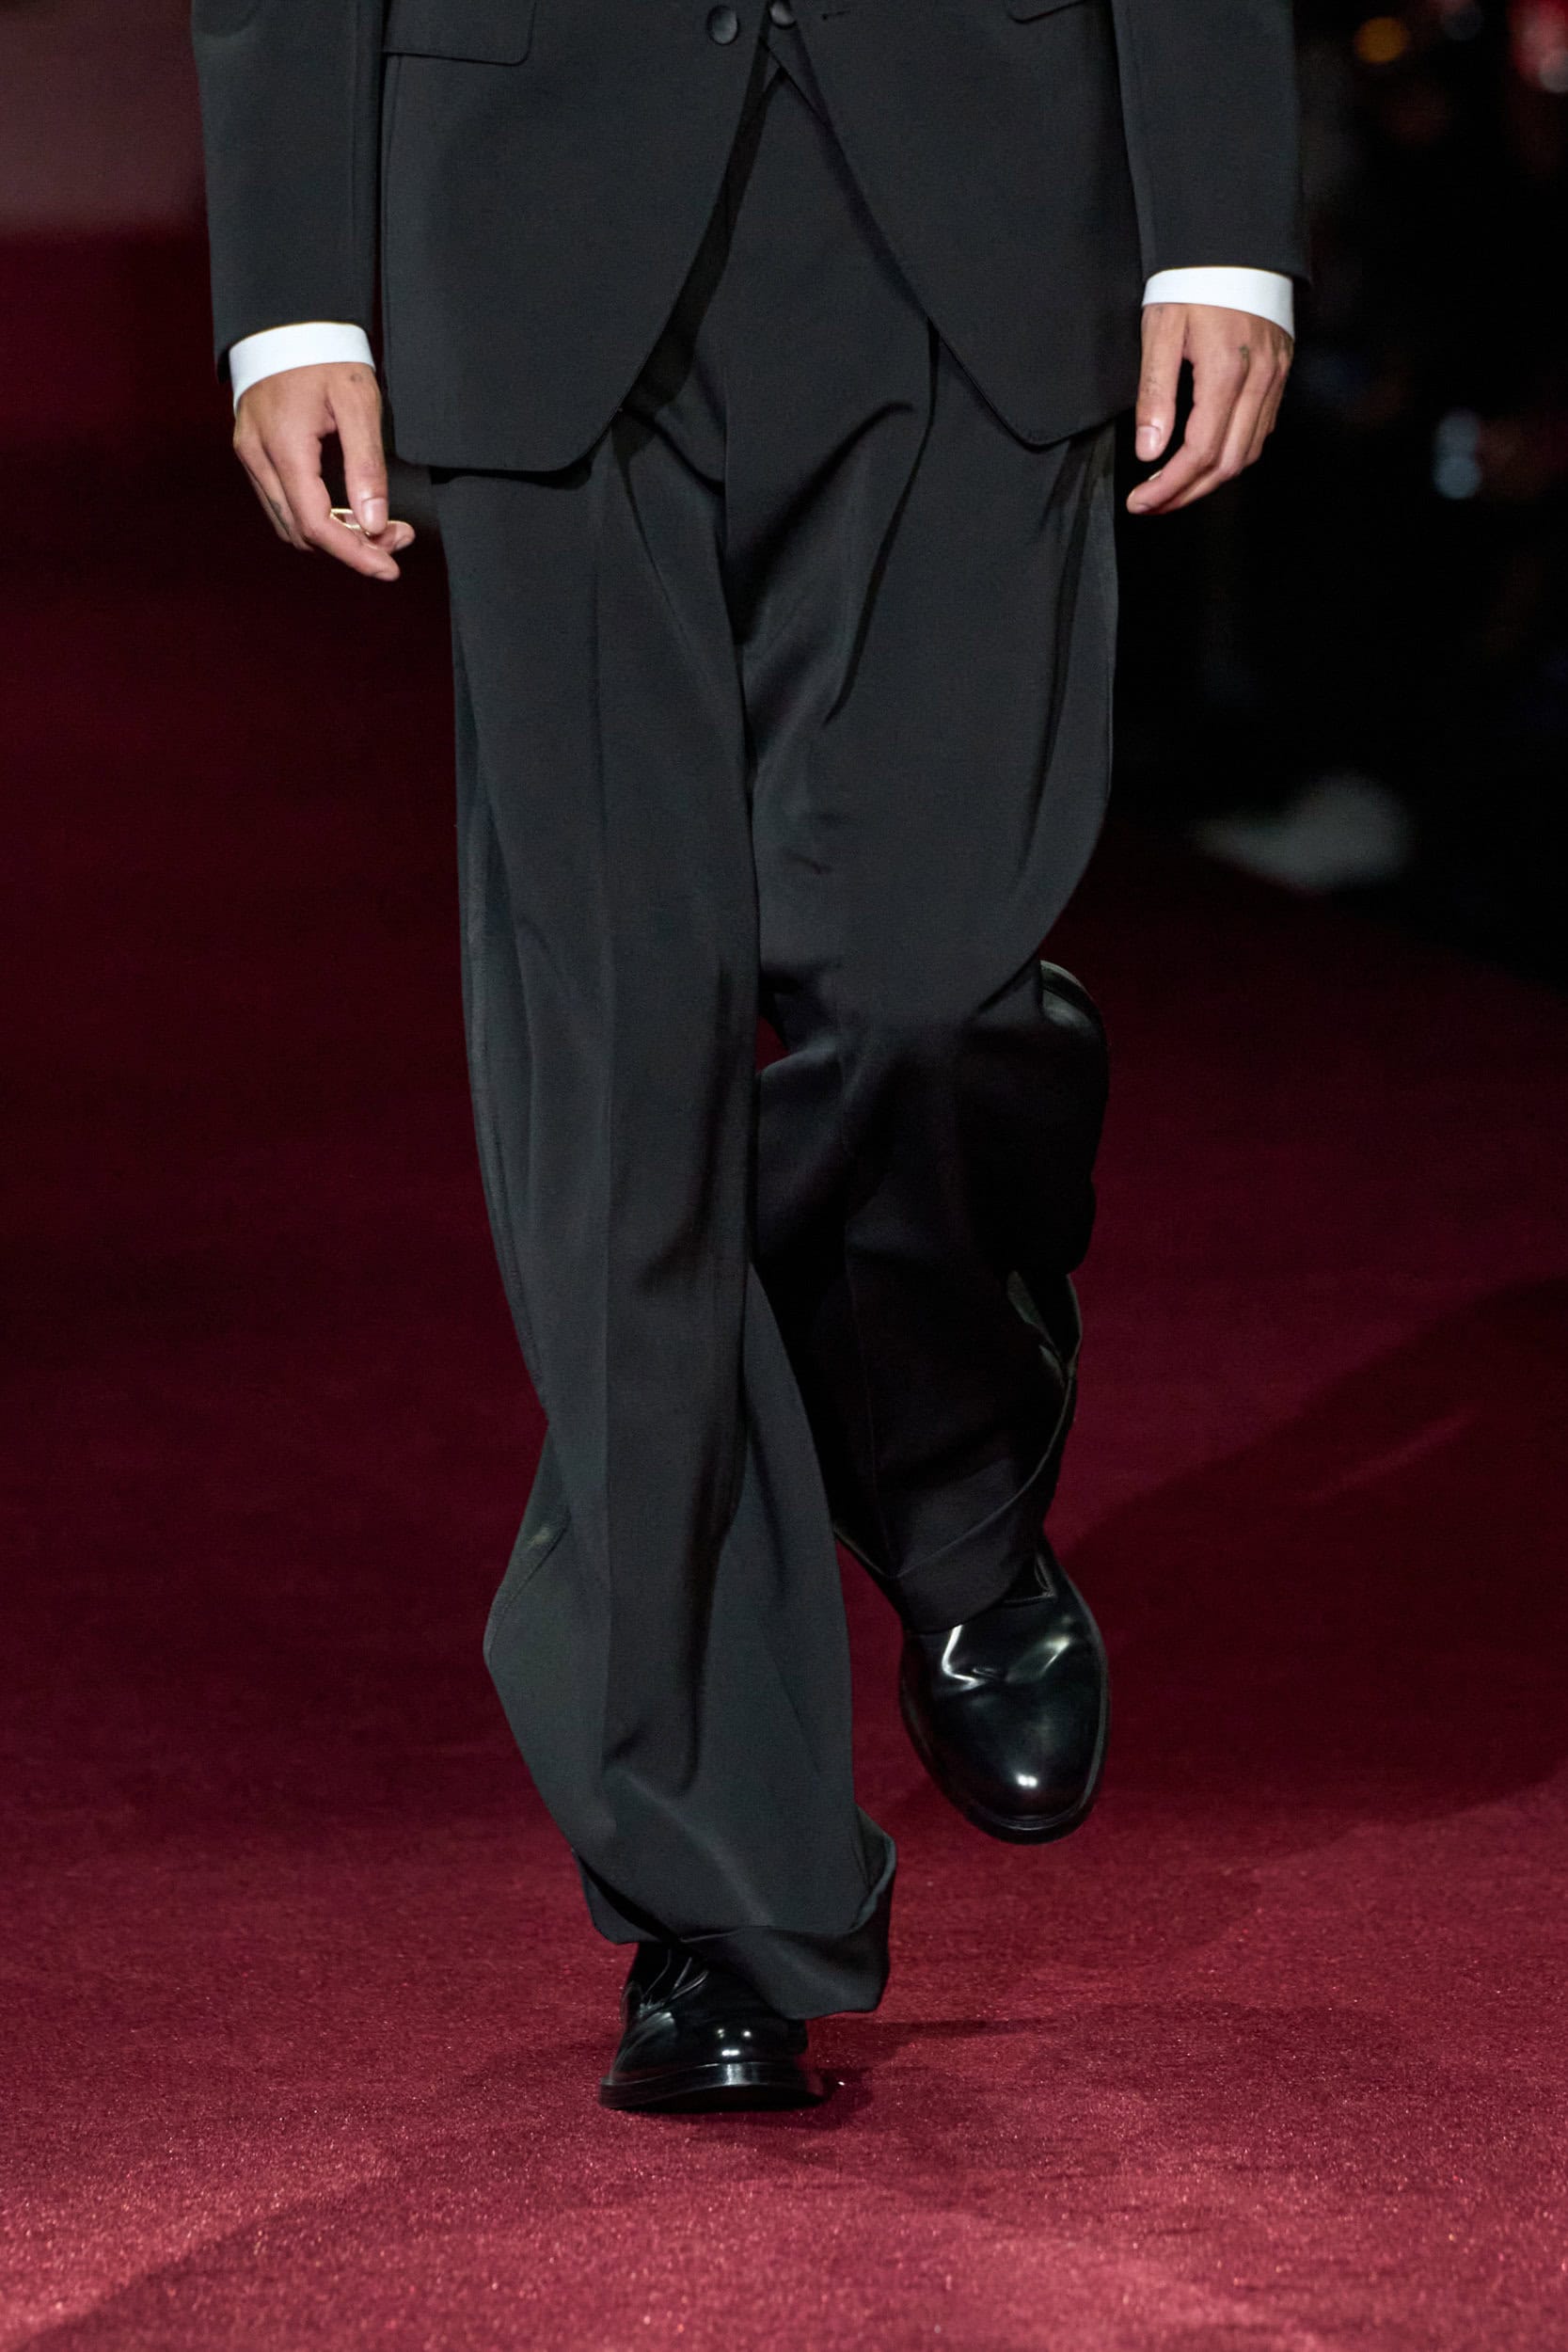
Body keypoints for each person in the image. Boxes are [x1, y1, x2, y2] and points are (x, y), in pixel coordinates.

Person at [192, 0, 1303, 2113]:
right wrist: (294, 285)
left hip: (980, 178)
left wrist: (1223, 218)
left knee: (930, 991)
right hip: (527, 186)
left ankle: (942, 1461)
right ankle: (712, 1894)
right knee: (628, 1096)